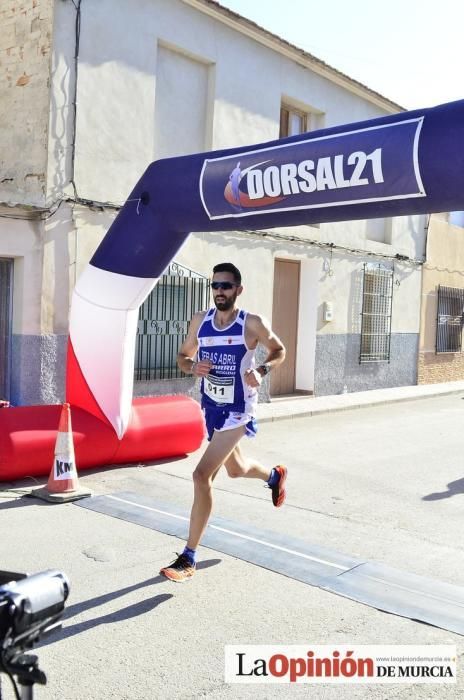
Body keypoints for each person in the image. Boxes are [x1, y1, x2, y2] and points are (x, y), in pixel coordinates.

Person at [160, 262, 287, 582]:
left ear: (238, 290)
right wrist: (192, 368)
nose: (219, 291)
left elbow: (279, 350)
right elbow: (183, 356)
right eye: (215, 285)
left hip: (239, 409)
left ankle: (188, 558)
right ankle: (273, 476)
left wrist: (261, 371)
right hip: (212, 407)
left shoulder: (252, 323)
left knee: (201, 475)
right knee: (236, 470)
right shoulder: (200, 321)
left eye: (226, 286)